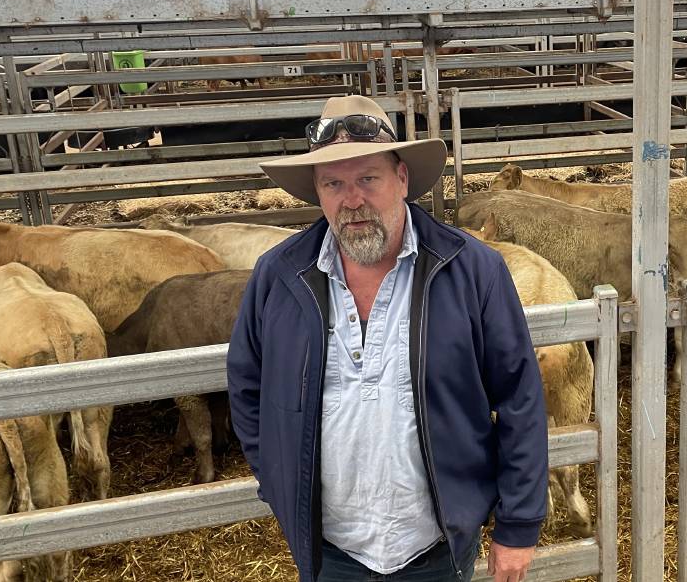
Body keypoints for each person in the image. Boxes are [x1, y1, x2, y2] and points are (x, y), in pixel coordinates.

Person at [227, 95, 548, 582]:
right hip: (331, 549)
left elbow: (520, 397)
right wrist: (281, 479)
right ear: (317, 191)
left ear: (402, 178)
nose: (351, 199)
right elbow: (248, 386)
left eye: (367, 179)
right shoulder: (281, 276)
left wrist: (518, 525)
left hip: (435, 545)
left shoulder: (471, 271)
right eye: (333, 183)